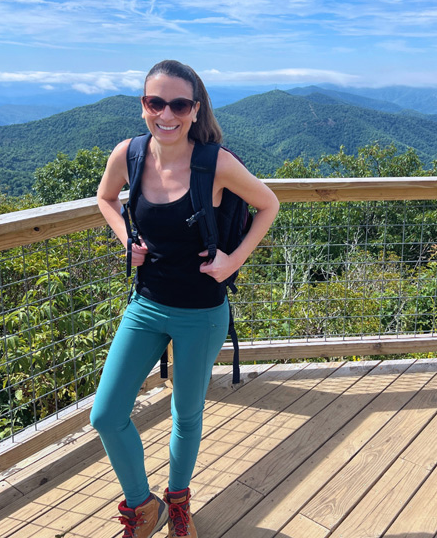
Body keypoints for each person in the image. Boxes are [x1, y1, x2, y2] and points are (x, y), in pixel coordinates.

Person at [91, 59, 280, 538]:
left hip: (201, 312)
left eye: (179, 104)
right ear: (143, 106)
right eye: (157, 103)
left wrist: (233, 262)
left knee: (186, 413)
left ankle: (177, 501)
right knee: (107, 414)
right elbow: (105, 199)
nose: (167, 114)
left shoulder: (213, 161)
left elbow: (269, 204)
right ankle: (143, 505)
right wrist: (124, 239)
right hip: (146, 305)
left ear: (195, 110)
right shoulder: (129, 154)